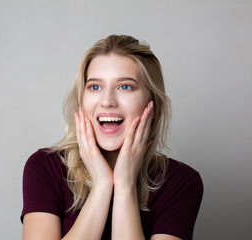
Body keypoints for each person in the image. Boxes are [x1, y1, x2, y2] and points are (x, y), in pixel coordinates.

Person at [21, 35, 203, 240]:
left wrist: (124, 185)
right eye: (95, 87)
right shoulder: (44, 167)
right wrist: (102, 186)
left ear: (151, 104)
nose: (107, 101)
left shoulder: (181, 182)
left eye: (125, 86)